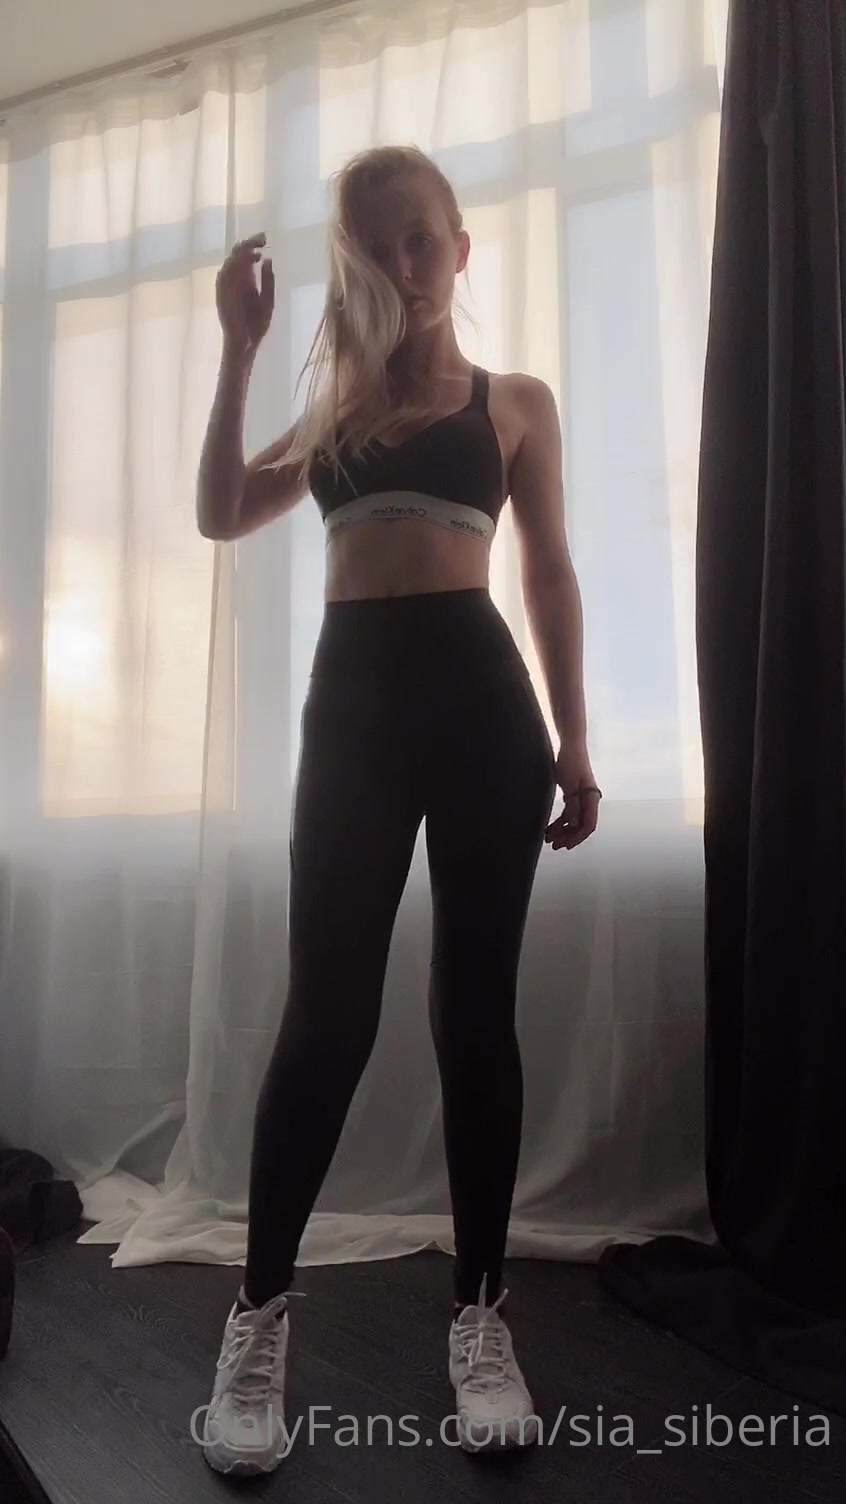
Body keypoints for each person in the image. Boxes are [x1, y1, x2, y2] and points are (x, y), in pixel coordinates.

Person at [195, 145, 600, 1476]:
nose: (402, 263)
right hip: (356, 722)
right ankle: (258, 1321)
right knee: (326, 1020)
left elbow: (548, 576)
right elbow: (218, 513)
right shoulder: (335, 414)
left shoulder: (516, 403)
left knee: (474, 1016)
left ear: (460, 247)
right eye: (374, 245)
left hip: (487, 718)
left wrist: (575, 743)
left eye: (420, 238)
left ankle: (480, 1315)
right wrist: (239, 350)